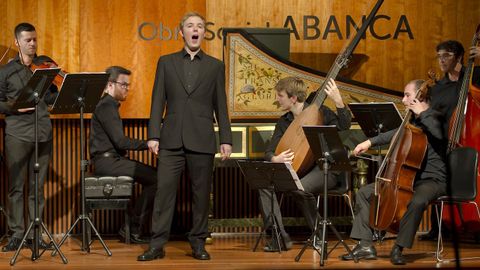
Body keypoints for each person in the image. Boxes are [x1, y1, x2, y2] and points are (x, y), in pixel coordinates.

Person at [137, 12, 232, 261]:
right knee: (164, 193)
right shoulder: (166, 62)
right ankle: (157, 244)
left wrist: (226, 138)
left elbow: (221, 105)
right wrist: (153, 135)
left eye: (199, 26)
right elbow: (158, 100)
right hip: (170, 139)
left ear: (203, 33)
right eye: (190, 26)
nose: (195, 29)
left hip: (202, 139)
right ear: (182, 32)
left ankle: (198, 243)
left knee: (201, 195)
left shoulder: (215, 66)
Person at [341, 79, 447, 265]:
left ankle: (399, 247)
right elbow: (396, 133)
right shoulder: (413, 119)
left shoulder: (437, 116)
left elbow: (438, 134)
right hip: (407, 178)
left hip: (433, 179)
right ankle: (365, 245)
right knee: (365, 193)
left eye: (407, 95)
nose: (403, 99)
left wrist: (423, 113)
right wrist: (369, 142)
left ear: (420, 96)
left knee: (418, 200)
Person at [259, 76, 351, 252]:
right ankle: (279, 236)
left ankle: (318, 233)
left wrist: (338, 101)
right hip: (298, 169)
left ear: (293, 98)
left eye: (280, 95)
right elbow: (269, 151)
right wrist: (274, 159)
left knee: (299, 189)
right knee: (264, 185)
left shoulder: (320, 111)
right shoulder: (284, 121)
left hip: (325, 168)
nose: (277, 99)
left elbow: (344, 125)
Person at [0, 22, 57, 251]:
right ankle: (16, 233)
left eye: (34, 39)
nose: (32, 44)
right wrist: (14, 107)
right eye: (27, 40)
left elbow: (51, 98)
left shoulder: (43, 68)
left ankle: (35, 234)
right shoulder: (5, 72)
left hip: (43, 132)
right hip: (17, 134)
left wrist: (61, 89)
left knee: (37, 187)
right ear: (17, 42)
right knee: (16, 187)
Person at [419, 40, 480, 241]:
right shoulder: (438, 88)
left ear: (459, 57)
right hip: (445, 141)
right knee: (434, 175)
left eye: (446, 55)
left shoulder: (475, 76)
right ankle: (439, 228)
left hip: (470, 142)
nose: (441, 60)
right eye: (439, 56)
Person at [89, 66, 157, 244]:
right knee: (156, 178)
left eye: (128, 85)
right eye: (124, 85)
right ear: (110, 84)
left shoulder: (109, 105)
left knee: (155, 176)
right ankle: (132, 228)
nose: (127, 89)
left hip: (112, 160)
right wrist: (148, 143)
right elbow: (120, 142)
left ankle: (132, 228)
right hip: (107, 162)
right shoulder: (106, 106)